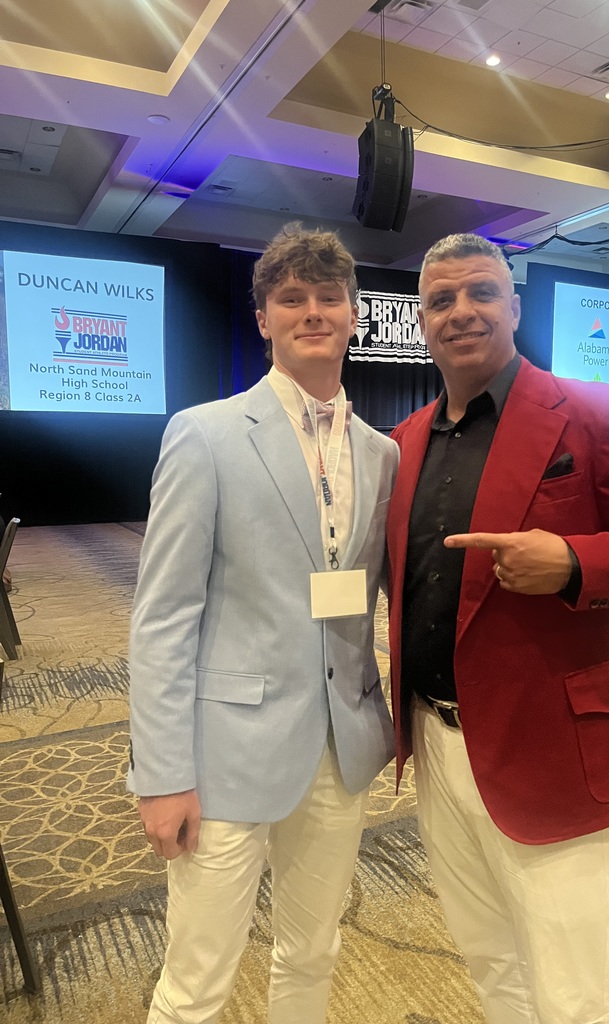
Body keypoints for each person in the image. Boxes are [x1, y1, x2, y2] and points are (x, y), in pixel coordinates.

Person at [385, 233, 609, 1024]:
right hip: (436, 740)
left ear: (514, 306)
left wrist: (571, 561)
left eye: (481, 292)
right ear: (421, 322)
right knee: (491, 960)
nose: (462, 311)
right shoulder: (404, 441)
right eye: (441, 300)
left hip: (553, 745)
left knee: (576, 992)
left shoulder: (591, 412)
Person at [128, 225, 399, 1024]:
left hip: (341, 746)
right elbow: (163, 617)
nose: (312, 311)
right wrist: (162, 774)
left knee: (312, 953)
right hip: (226, 754)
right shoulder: (205, 434)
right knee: (196, 983)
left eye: (328, 297)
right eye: (291, 298)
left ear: (353, 315)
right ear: (263, 320)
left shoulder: (381, 454)